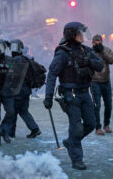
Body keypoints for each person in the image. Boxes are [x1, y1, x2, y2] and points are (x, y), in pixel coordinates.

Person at [44, 22, 103, 170]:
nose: (82, 36)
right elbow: (52, 74)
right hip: (70, 96)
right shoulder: (62, 53)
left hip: (85, 93)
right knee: (76, 128)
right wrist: (48, 96)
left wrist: (89, 61)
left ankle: (71, 142)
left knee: (91, 123)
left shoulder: (85, 50)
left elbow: (100, 65)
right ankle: (77, 159)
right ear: (71, 35)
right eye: (79, 33)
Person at [8, 39, 41, 139]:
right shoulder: (26, 58)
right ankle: (34, 129)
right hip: (26, 90)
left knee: (13, 111)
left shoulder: (17, 60)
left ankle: (11, 133)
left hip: (17, 90)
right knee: (23, 111)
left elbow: (12, 75)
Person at [91, 34, 113, 135]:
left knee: (108, 104)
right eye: (96, 42)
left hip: (106, 81)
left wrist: (102, 51)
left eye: (99, 41)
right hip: (95, 81)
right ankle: (98, 127)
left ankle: (106, 124)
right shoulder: (90, 51)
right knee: (97, 105)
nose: (97, 43)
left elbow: (112, 60)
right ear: (92, 42)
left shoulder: (107, 50)